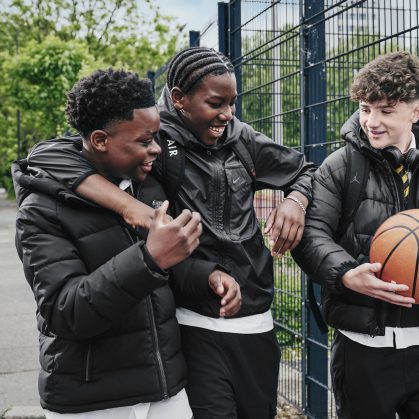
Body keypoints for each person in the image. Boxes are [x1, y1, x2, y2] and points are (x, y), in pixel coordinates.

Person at [26, 47, 316, 419]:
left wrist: (296, 201)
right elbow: (45, 156)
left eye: (232, 103)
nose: (228, 113)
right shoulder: (150, 145)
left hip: (234, 333)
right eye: (216, 103)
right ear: (178, 99)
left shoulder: (236, 140)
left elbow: (306, 170)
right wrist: (135, 216)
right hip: (180, 333)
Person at [12, 68, 241, 419]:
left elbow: (163, 273)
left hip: (165, 391)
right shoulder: (41, 210)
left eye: (156, 137)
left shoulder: (146, 187)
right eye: (144, 140)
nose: (156, 149)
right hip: (91, 402)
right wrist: (149, 259)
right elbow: (65, 312)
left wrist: (206, 275)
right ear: (100, 140)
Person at [292, 51, 419, 419]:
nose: (371, 122)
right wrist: (346, 273)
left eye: (386, 111)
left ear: (415, 111)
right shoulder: (341, 166)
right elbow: (311, 234)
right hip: (363, 344)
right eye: (365, 109)